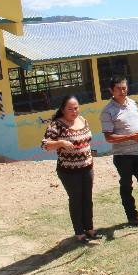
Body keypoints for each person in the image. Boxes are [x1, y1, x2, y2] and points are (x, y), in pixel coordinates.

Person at [100, 76, 138, 225]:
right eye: (118, 88)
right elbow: (109, 138)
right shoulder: (107, 111)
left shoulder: (132, 103)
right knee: (126, 187)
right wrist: (129, 137)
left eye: (124, 88)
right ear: (111, 90)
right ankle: (132, 217)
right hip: (123, 156)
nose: (122, 91)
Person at [42, 95, 100, 244]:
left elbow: (87, 140)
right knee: (76, 199)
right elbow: (45, 145)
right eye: (70, 109)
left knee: (87, 198)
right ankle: (79, 232)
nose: (74, 111)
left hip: (87, 167)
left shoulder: (83, 120)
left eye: (76, 108)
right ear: (62, 109)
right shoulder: (57, 125)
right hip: (68, 170)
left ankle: (90, 229)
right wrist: (61, 142)